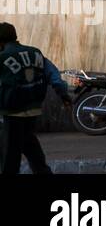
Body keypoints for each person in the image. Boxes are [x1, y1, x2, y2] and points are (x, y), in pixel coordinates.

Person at [1, 22, 72, 175]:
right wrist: (63, 95)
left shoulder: (2, 57)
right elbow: (53, 75)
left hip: (12, 112)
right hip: (33, 109)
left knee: (10, 157)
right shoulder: (35, 53)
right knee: (30, 147)